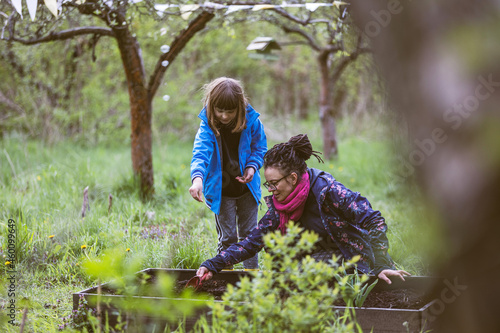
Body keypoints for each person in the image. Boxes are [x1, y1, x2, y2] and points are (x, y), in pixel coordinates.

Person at [196, 134, 410, 284]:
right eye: (267, 184)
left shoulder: (329, 193)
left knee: (298, 274)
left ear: (292, 178)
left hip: (349, 260)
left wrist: (381, 264)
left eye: (273, 183)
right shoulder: (280, 207)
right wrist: (212, 264)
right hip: (313, 266)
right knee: (286, 275)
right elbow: (251, 243)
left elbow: (374, 220)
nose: (270, 189)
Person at [189, 77, 267, 270]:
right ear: (212, 106)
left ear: (239, 107)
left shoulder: (252, 122)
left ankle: (251, 276)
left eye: (230, 111)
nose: (224, 116)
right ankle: (226, 277)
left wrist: (252, 167)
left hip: (247, 189)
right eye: (219, 110)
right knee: (228, 237)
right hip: (221, 192)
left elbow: (260, 147)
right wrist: (197, 180)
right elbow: (200, 153)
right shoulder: (207, 126)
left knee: (250, 235)